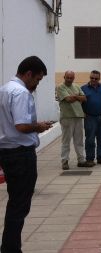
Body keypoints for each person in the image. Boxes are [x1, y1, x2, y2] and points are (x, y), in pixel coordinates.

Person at [0, 56, 52, 253]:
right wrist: (38, 126)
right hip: (20, 154)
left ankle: (9, 246)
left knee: (15, 202)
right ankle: (11, 249)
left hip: (6, 151)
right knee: (19, 205)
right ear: (28, 74)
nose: (37, 84)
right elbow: (21, 125)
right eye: (37, 79)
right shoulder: (21, 93)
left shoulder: (4, 90)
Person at [56, 71, 94, 170]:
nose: (69, 79)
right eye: (67, 77)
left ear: (74, 78)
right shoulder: (60, 87)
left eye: (71, 78)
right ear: (64, 77)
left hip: (78, 116)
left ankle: (81, 160)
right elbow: (68, 99)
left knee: (79, 140)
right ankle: (65, 161)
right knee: (66, 141)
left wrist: (75, 97)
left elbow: (84, 98)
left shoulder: (77, 86)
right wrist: (78, 97)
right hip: (67, 117)